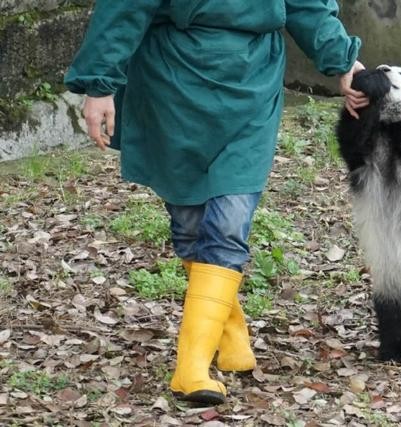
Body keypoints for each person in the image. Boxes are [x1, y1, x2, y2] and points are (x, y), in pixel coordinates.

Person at [64, 1, 368, 405]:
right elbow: (126, 6)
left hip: (251, 85)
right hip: (172, 82)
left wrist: (343, 62)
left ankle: (190, 370)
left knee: (228, 221)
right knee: (190, 224)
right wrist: (99, 85)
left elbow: (305, 4)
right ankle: (228, 328)